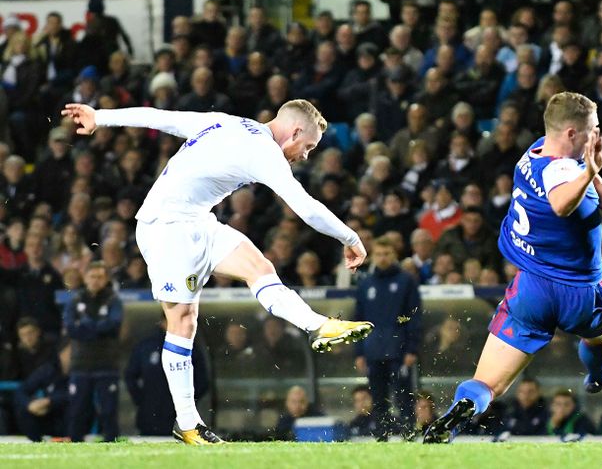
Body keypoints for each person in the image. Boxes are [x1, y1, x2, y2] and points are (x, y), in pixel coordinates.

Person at [60, 99, 373, 444]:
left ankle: (319, 326)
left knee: (260, 268)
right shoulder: (264, 151)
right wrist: (350, 237)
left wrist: (100, 116)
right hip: (167, 227)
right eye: (309, 146)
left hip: (199, 221)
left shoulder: (227, 121)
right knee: (182, 320)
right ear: (296, 131)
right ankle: (187, 423)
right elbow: (307, 208)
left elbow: (161, 118)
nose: (306, 155)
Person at [423, 92, 602, 443]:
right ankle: (600, 374)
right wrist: (591, 170)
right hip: (581, 293)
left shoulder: (535, 152)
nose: (598, 136)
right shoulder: (566, 169)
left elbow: (600, 188)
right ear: (572, 133)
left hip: (532, 289)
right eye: (593, 129)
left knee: (488, 383)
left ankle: (461, 410)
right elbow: (561, 202)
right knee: (599, 335)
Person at [354, 236, 422, 436]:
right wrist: (359, 352)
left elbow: (414, 316)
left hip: (399, 350)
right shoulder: (365, 284)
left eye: (386, 254)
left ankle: (409, 434)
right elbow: (358, 320)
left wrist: (411, 348)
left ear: (394, 255)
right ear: (372, 256)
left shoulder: (406, 281)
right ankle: (381, 436)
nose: (382, 258)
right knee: (378, 398)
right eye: (378, 254)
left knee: (403, 396)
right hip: (372, 350)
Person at [63, 262, 123, 442]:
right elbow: (70, 328)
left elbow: (114, 325)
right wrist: (98, 328)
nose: (96, 280)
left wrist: (86, 325)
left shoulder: (113, 300)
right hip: (80, 364)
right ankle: (75, 443)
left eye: (100, 277)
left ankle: (111, 443)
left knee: (108, 410)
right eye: (92, 276)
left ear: (106, 279)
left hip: (107, 364)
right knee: (78, 409)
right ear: (85, 278)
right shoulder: (75, 300)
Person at [124, 319, 209, 435]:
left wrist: (188, 402)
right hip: (149, 418)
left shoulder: (190, 348)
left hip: (178, 418)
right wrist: (142, 401)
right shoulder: (146, 346)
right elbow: (130, 376)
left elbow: (202, 381)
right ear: (163, 322)